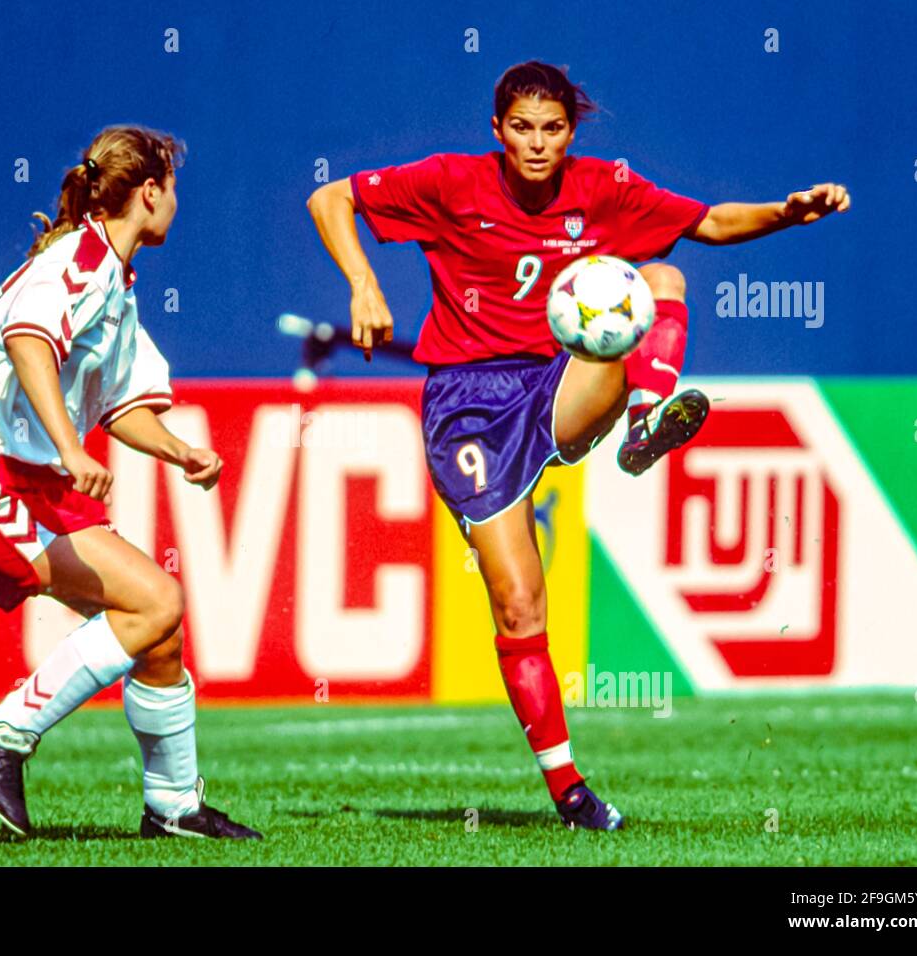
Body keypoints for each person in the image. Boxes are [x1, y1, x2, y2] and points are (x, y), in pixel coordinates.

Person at [307, 61, 849, 830]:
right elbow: (331, 197)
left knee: (660, 275)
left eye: (553, 128)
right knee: (520, 603)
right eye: (521, 128)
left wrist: (789, 212)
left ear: (572, 132)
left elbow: (714, 224)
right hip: (467, 406)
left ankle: (645, 419)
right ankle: (568, 790)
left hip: (558, 387)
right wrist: (363, 282)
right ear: (497, 130)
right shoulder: (449, 182)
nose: (536, 144)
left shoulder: (603, 188)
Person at [0, 125, 261, 840]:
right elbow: (28, 340)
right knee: (156, 600)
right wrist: (74, 449)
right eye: (172, 188)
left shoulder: (113, 277)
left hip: (31, 487)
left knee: (158, 626)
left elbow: (123, 405)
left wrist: (178, 451)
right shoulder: (80, 258)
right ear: (149, 191)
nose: (176, 202)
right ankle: (3, 736)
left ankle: (173, 805)